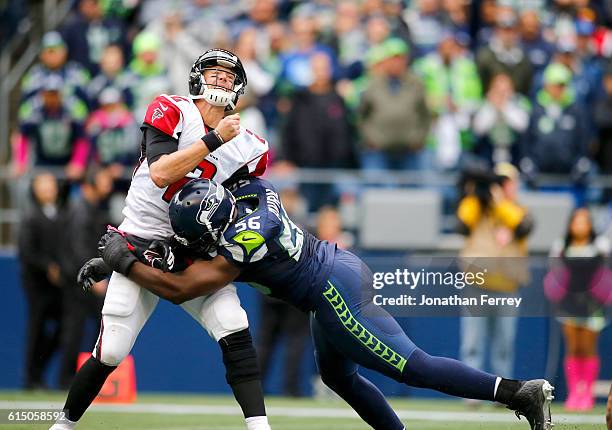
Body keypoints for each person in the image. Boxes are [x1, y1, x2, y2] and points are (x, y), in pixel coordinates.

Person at [89, 177, 555, 430]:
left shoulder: (244, 239)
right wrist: (116, 262)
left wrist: (124, 265)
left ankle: (518, 393)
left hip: (332, 292)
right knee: (336, 375)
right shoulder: (251, 192)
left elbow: (183, 287)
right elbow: (185, 251)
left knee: (413, 365)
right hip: (334, 270)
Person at [50, 48, 271, 430]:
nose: (220, 79)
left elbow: (241, 203)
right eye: (213, 73)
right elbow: (161, 173)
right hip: (140, 237)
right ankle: (63, 424)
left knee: (233, 323)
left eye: (227, 75)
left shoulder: (251, 147)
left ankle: (259, 426)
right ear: (197, 78)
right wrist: (215, 139)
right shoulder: (172, 109)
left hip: (192, 247)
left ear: (239, 87)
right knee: (113, 348)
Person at [457, 163, 533, 401]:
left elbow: (523, 226)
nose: (502, 187)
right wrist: (477, 194)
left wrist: (499, 202)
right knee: (472, 344)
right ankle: (472, 394)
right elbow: (462, 221)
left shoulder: (517, 209)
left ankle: (504, 395)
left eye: (506, 182)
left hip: (507, 287)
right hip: (477, 284)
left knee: (504, 347)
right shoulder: (476, 206)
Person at [544, 207, 611, 411]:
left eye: (584, 222)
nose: (580, 226)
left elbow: (605, 271)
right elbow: (555, 273)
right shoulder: (561, 247)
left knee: (588, 348)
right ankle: (575, 393)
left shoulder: (600, 246)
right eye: (576, 221)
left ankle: (586, 393)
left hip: (592, 305)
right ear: (571, 225)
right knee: (573, 348)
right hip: (569, 305)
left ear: (590, 225)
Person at [19, 172, 65, 390]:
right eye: (43, 185)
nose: (48, 189)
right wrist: (48, 267)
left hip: (58, 284)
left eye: (51, 184)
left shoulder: (60, 214)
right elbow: (26, 252)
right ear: (35, 189)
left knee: (64, 328)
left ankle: (40, 372)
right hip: (37, 284)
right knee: (36, 329)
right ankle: (31, 379)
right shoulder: (31, 216)